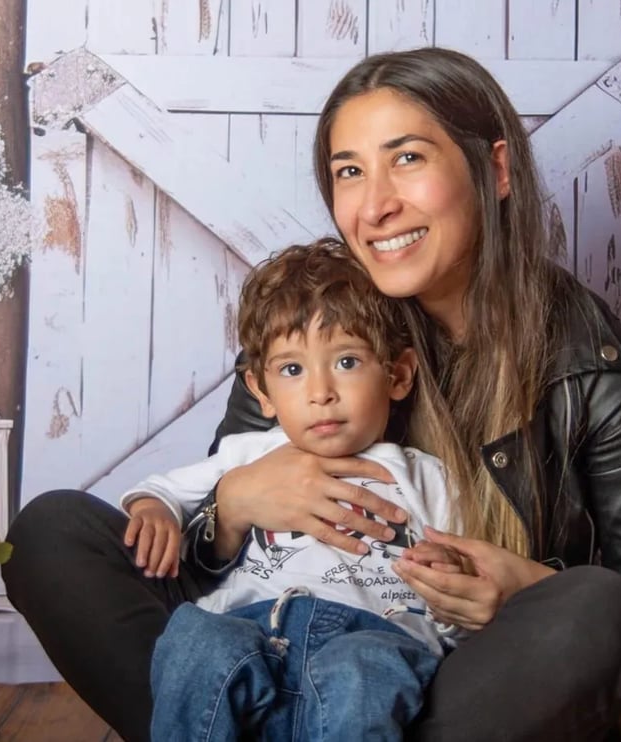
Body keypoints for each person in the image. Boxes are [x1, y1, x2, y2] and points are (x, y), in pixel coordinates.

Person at [3, 46, 621, 742]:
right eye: (349, 171)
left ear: (494, 170)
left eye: (408, 158)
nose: (375, 206)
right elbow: (211, 574)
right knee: (52, 530)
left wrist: (526, 589)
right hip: (266, 654)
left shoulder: (584, 354)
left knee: (596, 603)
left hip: (439, 677)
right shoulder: (317, 317)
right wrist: (231, 507)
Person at [125, 239, 461, 741]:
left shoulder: (427, 478)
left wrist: (450, 577)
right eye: (292, 369)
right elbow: (163, 490)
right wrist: (153, 509)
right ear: (261, 392)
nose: (320, 392)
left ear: (398, 375)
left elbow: (465, 594)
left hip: (373, 631)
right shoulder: (250, 453)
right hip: (255, 627)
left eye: (346, 362)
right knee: (194, 638)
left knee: (364, 672)